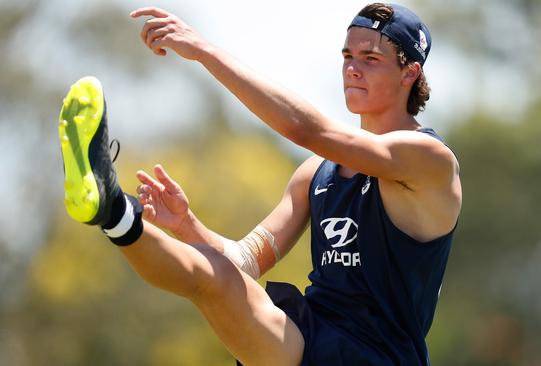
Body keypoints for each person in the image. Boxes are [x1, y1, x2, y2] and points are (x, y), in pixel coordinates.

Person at [57, 3, 461, 365]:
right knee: (213, 279)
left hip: (376, 356)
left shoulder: (428, 162)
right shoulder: (316, 173)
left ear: (411, 72)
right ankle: (112, 209)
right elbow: (243, 262)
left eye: (371, 58)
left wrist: (203, 51)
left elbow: (306, 130)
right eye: (348, 56)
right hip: (306, 339)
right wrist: (187, 225)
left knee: (217, 279)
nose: (352, 68)